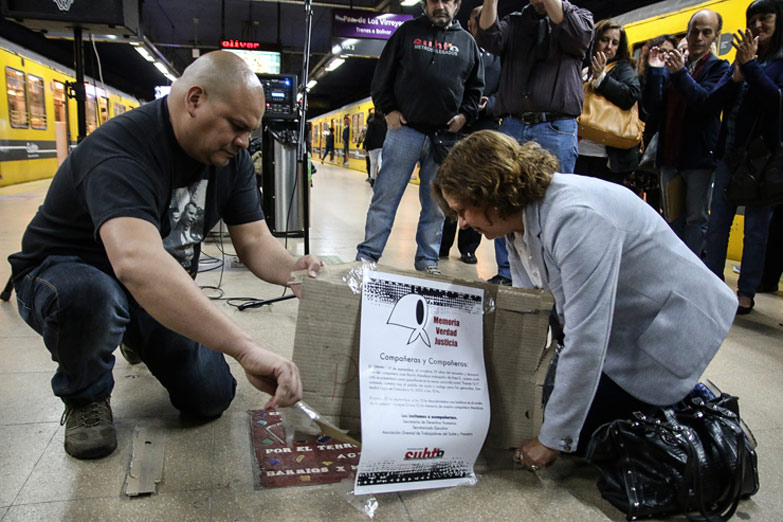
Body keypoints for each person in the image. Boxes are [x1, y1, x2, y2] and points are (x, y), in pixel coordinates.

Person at [7, 51, 322, 460]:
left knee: (209, 397)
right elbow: (137, 264)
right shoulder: (120, 150)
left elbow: (254, 241)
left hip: (145, 286)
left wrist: (294, 272)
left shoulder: (231, 159)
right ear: (195, 100)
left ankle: (128, 330)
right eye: (237, 126)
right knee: (92, 295)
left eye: (250, 130)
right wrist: (245, 348)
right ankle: (85, 395)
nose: (244, 141)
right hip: (62, 275)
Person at [432, 130, 736, 469]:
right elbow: (533, 311)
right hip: (626, 322)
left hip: (674, 324)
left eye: (463, 210)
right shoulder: (517, 221)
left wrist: (552, 440)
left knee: (586, 438)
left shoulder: (574, 218)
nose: (462, 223)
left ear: (492, 193)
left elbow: (587, 336)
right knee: (548, 406)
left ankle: (686, 403)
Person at [356, 0, 484, 274]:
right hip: (405, 132)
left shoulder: (467, 43)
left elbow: (476, 89)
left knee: (437, 206)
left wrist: (464, 116)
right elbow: (381, 77)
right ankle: (367, 256)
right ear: (425, 4)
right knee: (385, 198)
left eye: (447, 0)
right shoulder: (406, 33)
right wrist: (388, 110)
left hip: (444, 139)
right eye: (434, 0)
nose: (440, 5)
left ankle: (427, 261)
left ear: (457, 4)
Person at [476, 0, 593, 286]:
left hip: (555, 126)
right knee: (503, 199)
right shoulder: (516, 22)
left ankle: (555, 278)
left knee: (555, 204)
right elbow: (488, 37)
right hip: (513, 124)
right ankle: (508, 275)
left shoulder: (581, 17)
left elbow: (576, 36)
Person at [703, 0, 783, 314]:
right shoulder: (740, 60)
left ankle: (746, 292)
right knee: (718, 224)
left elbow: (775, 101)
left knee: (756, 229)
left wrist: (750, 67)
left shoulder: (778, 62)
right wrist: (736, 76)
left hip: (763, 159)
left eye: (766, 18)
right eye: (753, 20)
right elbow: (713, 102)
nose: (758, 25)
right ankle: (712, 284)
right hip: (730, 154)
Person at [642, 9, 729, 256]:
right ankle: (672, 265)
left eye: (706, 32)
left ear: (715, 36)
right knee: (672, 217)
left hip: (699, 159)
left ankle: (690, 267)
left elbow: (704, 102)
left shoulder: (719, 68)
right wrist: (655, 71)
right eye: (694, 31)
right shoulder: (672, 66)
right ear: (687, 33)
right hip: (670, 156)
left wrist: (679, 73)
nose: (699, 37)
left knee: (695, 218)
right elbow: (652, 109)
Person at [440, 5, 501, 265]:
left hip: (484, 128)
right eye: (479, 18)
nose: (486, 22)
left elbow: (505, 90)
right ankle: (442, 244)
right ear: (470, 23)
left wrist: (491, 104)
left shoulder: (498, 55)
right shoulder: (457, 46)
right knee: (450, 185)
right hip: (454, 127)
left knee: (478, 188)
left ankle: (468, 248)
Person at [574, 19, 641, 186]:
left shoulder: (623, 68)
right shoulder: (584, 68)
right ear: (594, 41)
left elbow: (630, 95)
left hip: (606, 156)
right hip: (579, 150)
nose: (609, 46)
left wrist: (601, 79)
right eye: (604, 40)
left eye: (615, 43)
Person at [363, 108, 387, 188]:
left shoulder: (371, 123)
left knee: (373, 164)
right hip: (382, 146)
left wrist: (365, 146)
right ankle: (382, 179)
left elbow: (368, 136)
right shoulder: (384, 123)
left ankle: (373, 180)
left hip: (372, 147)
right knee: (381, 162)